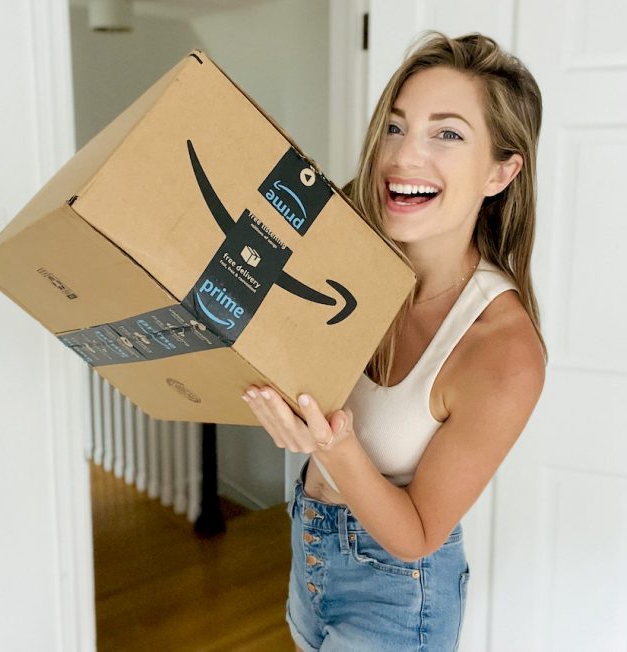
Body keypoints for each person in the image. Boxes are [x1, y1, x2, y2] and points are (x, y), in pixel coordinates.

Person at [242, 32, 546, 651]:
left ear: (502, 171)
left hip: (397, 596)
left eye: (448, 133)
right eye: (395, 127)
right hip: (309, 552)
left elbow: (417, 533)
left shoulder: (504, 350)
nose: (405, 157)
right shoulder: (342, 264)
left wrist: (334, 445)